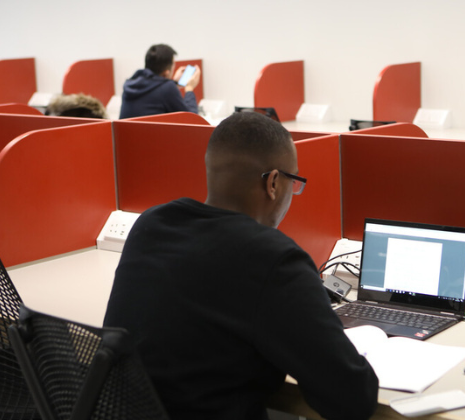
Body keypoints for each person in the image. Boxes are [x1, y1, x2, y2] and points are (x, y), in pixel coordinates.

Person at [103, 112, 378, 420]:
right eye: (294, 182)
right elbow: (353, 398)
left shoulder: (152, 224)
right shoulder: (273, 258)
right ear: (273, 183)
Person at [119, 44, 201, 119]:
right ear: (166, 73)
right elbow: (192, 121)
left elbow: (154, 93)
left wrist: (173, 82)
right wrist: (189, 88)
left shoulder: (131, 85)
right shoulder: (168, 88)